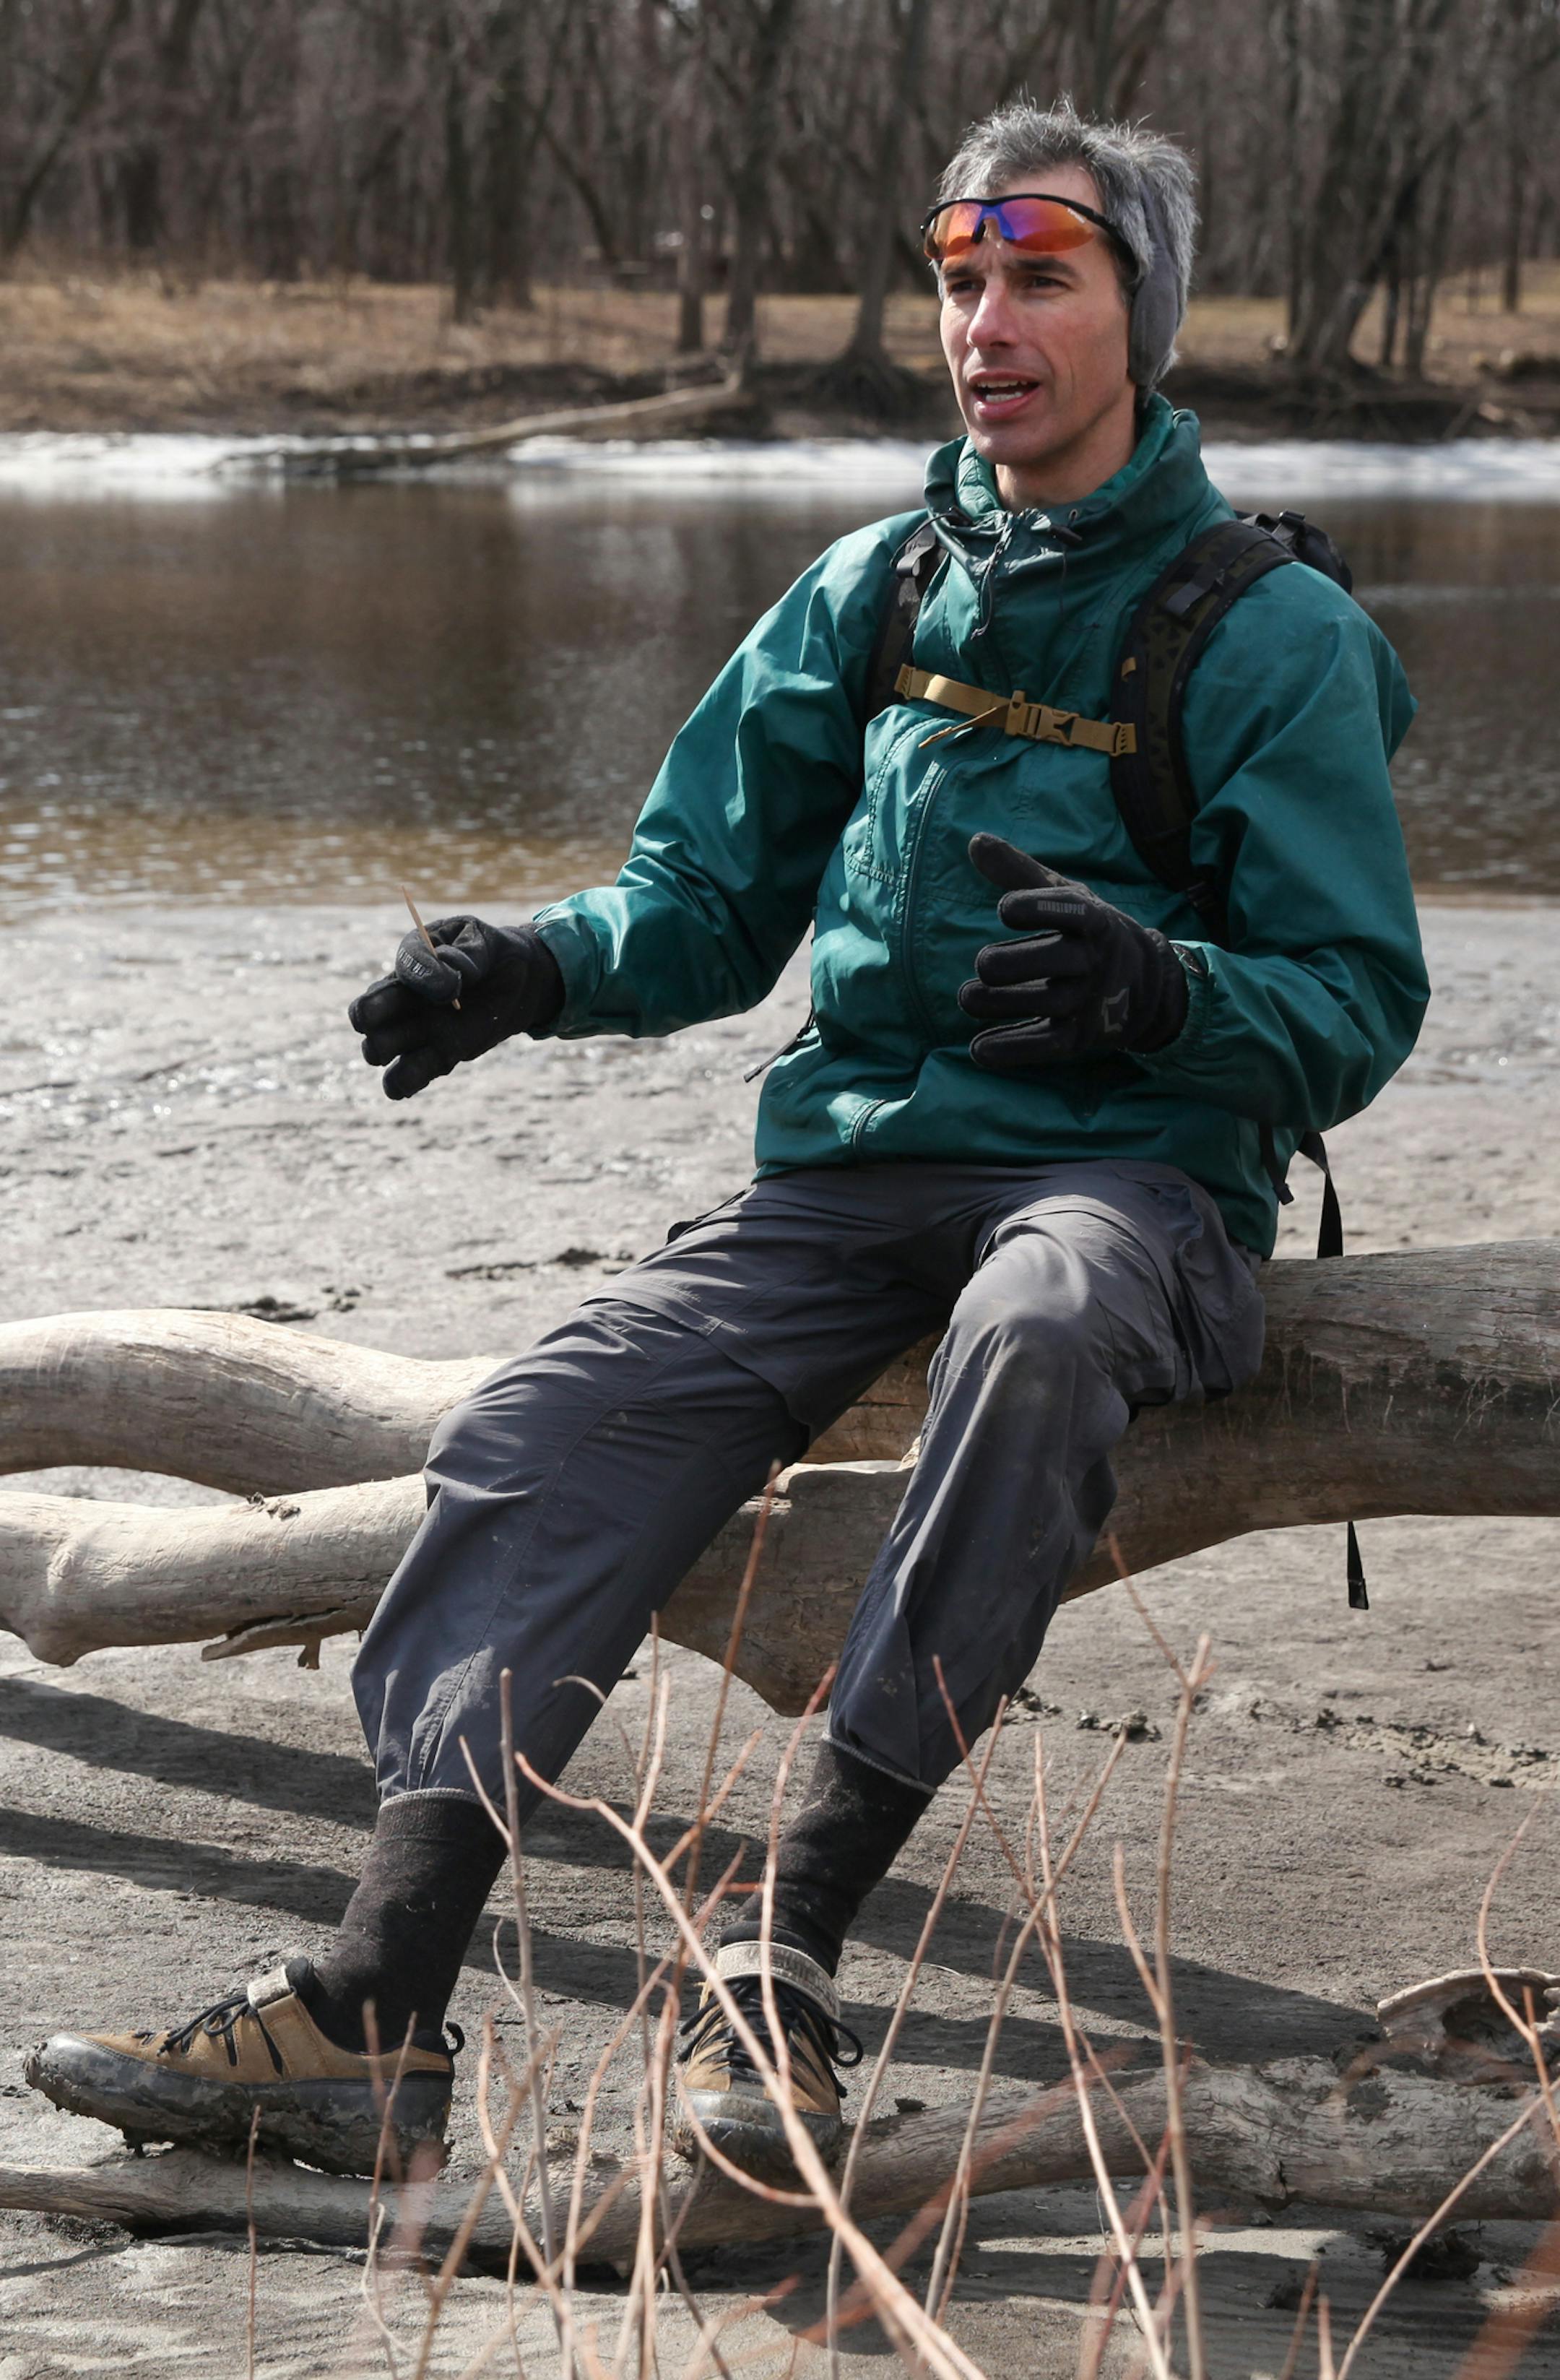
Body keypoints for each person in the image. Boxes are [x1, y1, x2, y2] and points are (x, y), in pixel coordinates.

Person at [30, 96, 1429, 2183]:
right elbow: (696, 898)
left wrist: (1174, 997)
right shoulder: (873, 592)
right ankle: (377, 2010)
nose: (987, 322)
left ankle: (782, 1953)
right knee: (555, 1411)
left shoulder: (1267, 629)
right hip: (852, 1171)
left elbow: (1361, 998)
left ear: (1144, 311)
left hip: (1126, 1183)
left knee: (1039, 1335)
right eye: (961, 280)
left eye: (1042, 275)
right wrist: (527, 966)